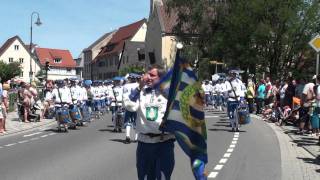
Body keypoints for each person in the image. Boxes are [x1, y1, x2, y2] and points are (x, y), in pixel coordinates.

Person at [124, 66, 175, 180]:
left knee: (162, 177)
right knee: (144, 177)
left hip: (164, 143)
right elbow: (129, 105)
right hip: (144, 144)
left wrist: (163, 90)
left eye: (152, 75)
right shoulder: (141, 92)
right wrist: (139, 87)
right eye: (147, 74)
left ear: (161, 78)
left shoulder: (170, 93)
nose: (148, 77)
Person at [123, 74, 139, 143]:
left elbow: (123, 96)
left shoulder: (125, 86)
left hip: (128, 105)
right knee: (137, 121)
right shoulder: (138, 85)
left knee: (128, 121)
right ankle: (136, 138)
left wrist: (123, 105)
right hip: (136, 106)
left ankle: (127, 136)